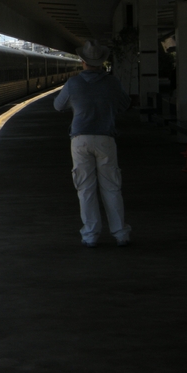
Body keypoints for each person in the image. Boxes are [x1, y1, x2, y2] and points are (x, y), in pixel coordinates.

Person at [54, 39, 131, 248]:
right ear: (103, 62)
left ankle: (90, 235)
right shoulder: (112, 83)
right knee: (112, 187)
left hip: (80, 139)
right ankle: (120, 234)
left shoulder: (73, 83)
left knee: (85, 189)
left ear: (82, 62)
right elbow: (125, 104)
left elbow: (58, 106)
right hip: (106, 137)